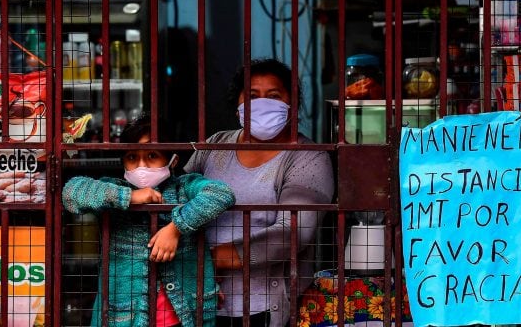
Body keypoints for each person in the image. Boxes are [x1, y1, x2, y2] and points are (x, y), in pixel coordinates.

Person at [184, 59, 335, 327]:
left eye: (274, 96)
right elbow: (177, 199)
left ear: (292, 105)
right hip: (199, 305)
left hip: (264, 309)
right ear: (239, 104)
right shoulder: (216, 145)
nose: (262, 103)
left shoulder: (308, 157)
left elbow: (293, 232)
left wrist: (209, 260)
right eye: (252, 96)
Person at [62, 113, 236, 327]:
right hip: (124, 318)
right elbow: (71, 192)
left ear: (172, 159)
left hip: (186, 316)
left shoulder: (185, 187)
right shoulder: (115, 190)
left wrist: (175, 228)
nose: (141, 166)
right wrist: (129, 197)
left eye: (152, 155)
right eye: (132, 157)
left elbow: (221, 194)